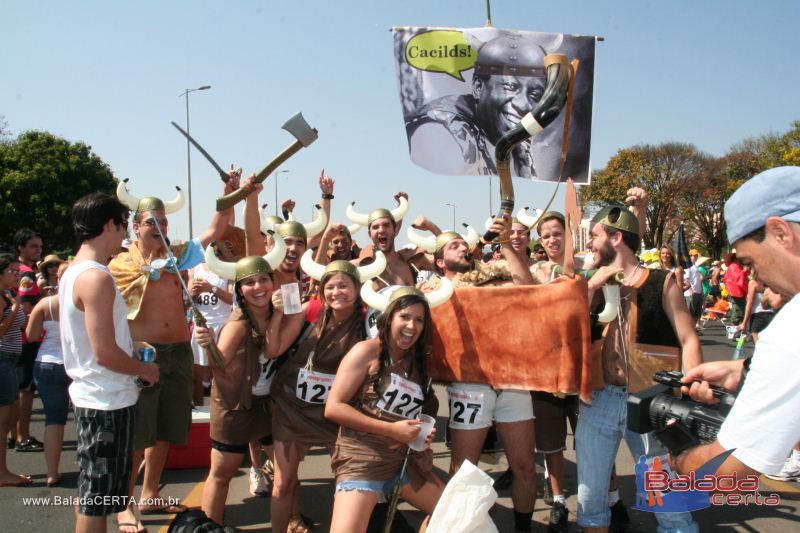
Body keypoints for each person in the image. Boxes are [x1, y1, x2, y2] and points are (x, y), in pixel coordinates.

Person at [111, 173, 241, 530]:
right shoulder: (120, 266)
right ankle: (124, 506)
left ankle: (150, 493)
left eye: (164, 221)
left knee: (168, 428)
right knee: (139, 434)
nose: (159, 226)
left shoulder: (178, 256)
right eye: (151, 221)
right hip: (144, 357)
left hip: (180, 352)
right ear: (135, 228)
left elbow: (217, 229)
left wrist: (228, 194)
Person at [577, 204, 701, 533]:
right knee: (590, 499)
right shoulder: (589, 284)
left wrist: (687, 397)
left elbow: (689, 339)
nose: (589, 243)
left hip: (648, 400)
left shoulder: (661, 281)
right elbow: (562, 333)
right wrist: (590, 288)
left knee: (666, 500)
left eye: (594, 235)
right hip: (597, 400)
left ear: (616, 238)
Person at [675, 166, 800, 480]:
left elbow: (726, 470)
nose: (757, 278)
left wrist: (676, 458)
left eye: (750, 262)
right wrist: (745, 368)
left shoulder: (790, 331)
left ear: (782, 233)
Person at [59, 192, 159, 533]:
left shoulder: (76, 271)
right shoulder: (96, 277)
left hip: (97, 396)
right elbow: (103, 352)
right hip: (106, 400)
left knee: (93, 494)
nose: (125, 236)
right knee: (96, 501)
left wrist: (132, 344)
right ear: (108, 225)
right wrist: (144, 369)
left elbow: (97, 341)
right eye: (122, 227)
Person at [268, 254, 385, 533]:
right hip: (293, 407)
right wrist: (277, 315)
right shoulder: (308, 310)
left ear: (357, 290)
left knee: (347, 483)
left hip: (339, 411)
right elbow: (273, 350)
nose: (337, 293)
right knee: (283, 483)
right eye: (330, 286)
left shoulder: (369, 320)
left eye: (344, 286)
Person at [325, 289, 446, 533]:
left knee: (455, 512)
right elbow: (333, 407)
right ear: (389, 317)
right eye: (405, 317)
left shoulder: (417, 363)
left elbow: (406, 416)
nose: (411, 325)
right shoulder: (365, 351)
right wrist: (392, 430)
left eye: (419, 319)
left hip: (402, 461)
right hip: (363, 458)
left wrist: (419, 433)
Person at [192, 244, 295, 525]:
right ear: (239, 290)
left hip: (267, 406)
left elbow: (280, 345)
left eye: (263, 279)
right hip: (234, 408)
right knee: (222, 474)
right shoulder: (237, 324)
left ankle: (290, 522)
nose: (258, 286)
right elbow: (220, 367)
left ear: (273, 282)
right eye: (249, 282)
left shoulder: (277, 313)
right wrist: (210, 345)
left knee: (286, 476)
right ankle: (208, 529)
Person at [406, 33, 546, 178]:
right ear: (478, 87)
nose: (523, 105)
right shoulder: (439, 129)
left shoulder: (518, 147)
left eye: (534, 95)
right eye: (510, 86)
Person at [25, 261, 70, 486]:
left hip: (47, 363)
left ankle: (52, 473)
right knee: (85, 418)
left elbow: (31, 335)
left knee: (54, 419)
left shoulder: (46, 304)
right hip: (75, 364)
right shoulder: (83, 303)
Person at [349, 194, 432, 288]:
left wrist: (431, 227)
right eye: (376, 227)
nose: (381, 230)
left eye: (386, 225)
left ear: (395, 230)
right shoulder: (358, 267)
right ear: (369, 234)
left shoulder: (413, 263)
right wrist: (327, 238)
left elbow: (446, 258)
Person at [12, 228, 44, 453]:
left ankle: (16, 434)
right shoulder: (26, 273)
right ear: (20, 248)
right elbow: (25, 306)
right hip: (27, 338)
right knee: (25, 389)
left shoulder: (20, 270)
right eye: (33, 246)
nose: (38, 250)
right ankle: (22, 436)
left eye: (40, 246)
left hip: (19, 337)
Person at [0, 253, 30, 486]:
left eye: (17, 271)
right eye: (11, 271)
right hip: (3, 359)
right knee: (4, 418)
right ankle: (2, 472)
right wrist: (17, 306)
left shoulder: (8, 295)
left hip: (10, 359)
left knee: (11, 416)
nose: (16, 275)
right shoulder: (5, 299)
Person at [722, 252, 748, 324]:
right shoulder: (734, 266)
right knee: (738, 310)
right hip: (736, 291)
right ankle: (736, 329)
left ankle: (737, 328)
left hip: (733, 291)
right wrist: (744, 271)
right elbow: (738, 279)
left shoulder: (732, 266)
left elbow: (725, 279)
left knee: (738, 309)